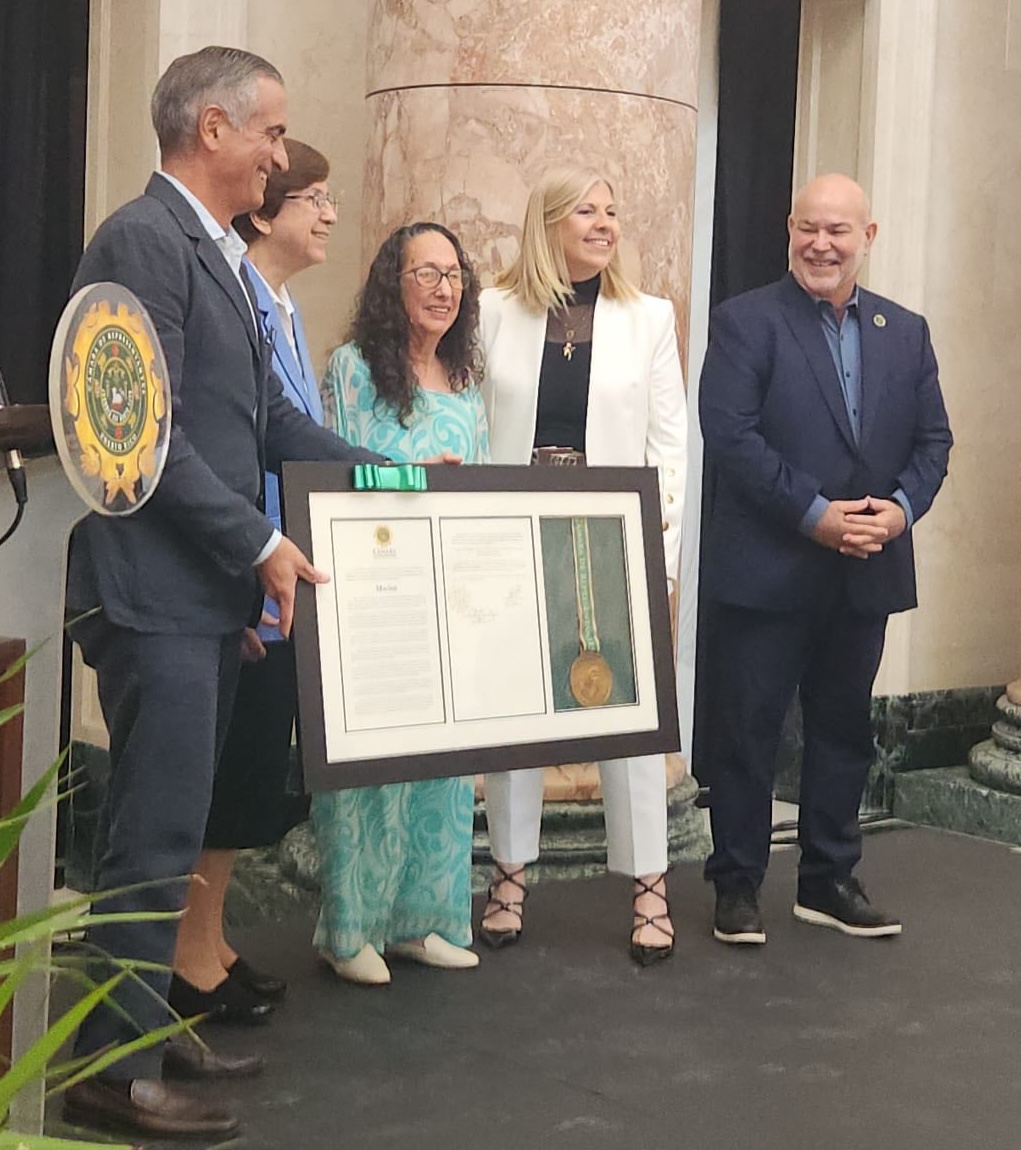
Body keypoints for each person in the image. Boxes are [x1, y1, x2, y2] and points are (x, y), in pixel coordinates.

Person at [60, 48, 383, 1141]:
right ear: (213, 128)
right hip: (152, 594)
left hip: (200, 597)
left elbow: (267, 427)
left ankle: (143, 1026)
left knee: (178, 822)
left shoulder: (220, 263)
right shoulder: (141, 242)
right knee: (149, 837)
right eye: (272, 134)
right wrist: (258, 542)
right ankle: (109, 1071)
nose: (282, 156)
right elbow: (139, 432)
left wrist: (384, 476)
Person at [696, 173, 952, 946]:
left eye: (839, 230)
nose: (821, 243)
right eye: (809, 227)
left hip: (865, 572)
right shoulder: (745, 323)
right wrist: (817, 517)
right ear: (789, 230)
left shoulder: (904, 332)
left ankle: (828, 879)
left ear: (867, 238)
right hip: (769, 570)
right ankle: (737, 886)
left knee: (845, 731)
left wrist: (897, 512)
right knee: (748, 733)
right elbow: (732, 438)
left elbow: (934, 443)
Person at [477, 167, 687, 966]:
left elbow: (671, 443)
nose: (605, 224)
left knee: (628, 717)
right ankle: (507, 877)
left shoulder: (648, 318)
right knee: (516, 712)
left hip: (614, 534)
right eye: (587, 212)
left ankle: (648, 888)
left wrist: (657, 554)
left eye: (612, 211)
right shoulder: (495, 310)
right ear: (550, 224)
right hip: (510, 531)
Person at [167, 138, 339, 1026]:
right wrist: (252, 554)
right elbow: (192, 439)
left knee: (243, 776)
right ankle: (185, 956)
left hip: (278, 572)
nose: (328, 215)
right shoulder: (190, 268)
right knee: (215, 779)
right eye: (311, 195)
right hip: (239, 566)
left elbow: (287, 428)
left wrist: (385, 471)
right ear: (264, 208)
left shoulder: (275, 303)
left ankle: (210, 941)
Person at [309, 222, 487, 985]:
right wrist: (414, 472)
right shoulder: (351, 370)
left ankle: (427, 920)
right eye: (427, 273)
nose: (444, 288)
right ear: (393, 284)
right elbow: (330, 476)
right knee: (370, 769)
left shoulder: (466, 383)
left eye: (454, 275)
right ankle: (350, 931)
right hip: (372, 592)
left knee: (441, 770)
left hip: (443, 596)